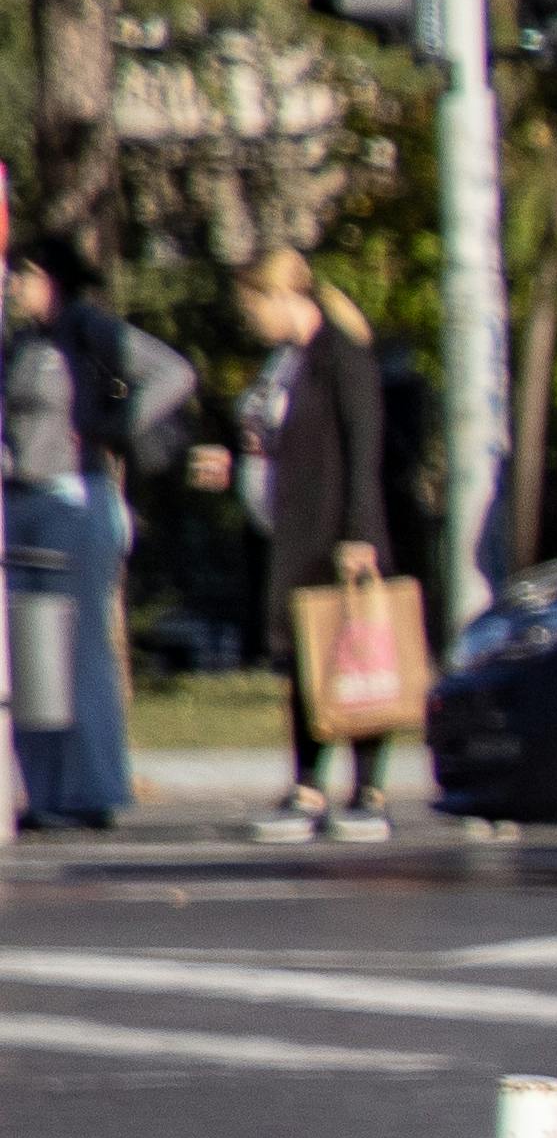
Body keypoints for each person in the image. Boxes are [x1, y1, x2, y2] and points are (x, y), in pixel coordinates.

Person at [187, 249, 390, 843]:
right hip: (289, 536)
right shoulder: (284, 362)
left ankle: (369, 791)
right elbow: (275, 437)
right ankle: (307, 787)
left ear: (279, 297)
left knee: (354, 655)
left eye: (252, 307)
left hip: (332, 534)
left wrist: (359, 533)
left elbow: (364, 447)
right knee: (305, 662)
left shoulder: (341, 354)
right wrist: (232, 460)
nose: (250, 321)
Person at [5, 253, 136, 829]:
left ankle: (93, 789)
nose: (16, 285)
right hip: (23, 502)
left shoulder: (88, 330)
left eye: (26, 275)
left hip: (74, 500)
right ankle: (49, 793)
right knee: (33, 659)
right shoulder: (20, 343)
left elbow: (172, 374)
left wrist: (110, 430)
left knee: (79, 652)